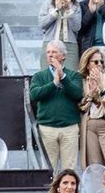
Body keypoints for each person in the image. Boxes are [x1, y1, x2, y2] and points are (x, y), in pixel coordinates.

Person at [30, 42, 83, 170]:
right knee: (48, 170)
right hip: (47, 128)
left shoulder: (74, 75)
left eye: (54, 52)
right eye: (48, 52)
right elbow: (34, 95)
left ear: (63, 55)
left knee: (69, 170)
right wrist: (53, 83)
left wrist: (63, 77)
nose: (50, 55)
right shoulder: (39, 76)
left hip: (69, 128)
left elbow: (77, 94)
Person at [78, 46, 105, 164]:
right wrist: (91, 94)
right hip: (89, 125)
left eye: (101, 62)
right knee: (94, 164)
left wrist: (101, 86)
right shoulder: (82, 82)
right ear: (88, 64)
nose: (99, 64)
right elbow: (81, 107)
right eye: (95, 61)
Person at [39, 0, 82, 66]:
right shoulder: (48, 3)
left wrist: (69, 10)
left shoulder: (76, 6)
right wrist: (56, 10)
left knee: (70, 76)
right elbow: (42, 24)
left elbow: (76, 27)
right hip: (50, 45)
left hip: (70, 47)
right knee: (48, 76)